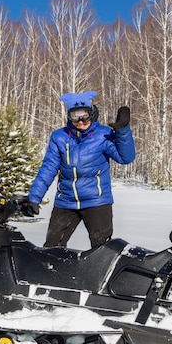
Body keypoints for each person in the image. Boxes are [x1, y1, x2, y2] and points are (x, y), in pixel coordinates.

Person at [23, 91, 135, 248]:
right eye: (75, 116)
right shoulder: (59, 137)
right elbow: (48, 169)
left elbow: (125, 158)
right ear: (69, 116)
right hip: (66, 201)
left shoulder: (103, 135)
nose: (80, 121)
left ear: (92, 113)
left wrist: (123, 131)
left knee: (101, 250)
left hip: (97, 201)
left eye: (84, 115)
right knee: (51, 249)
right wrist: (34, 198)